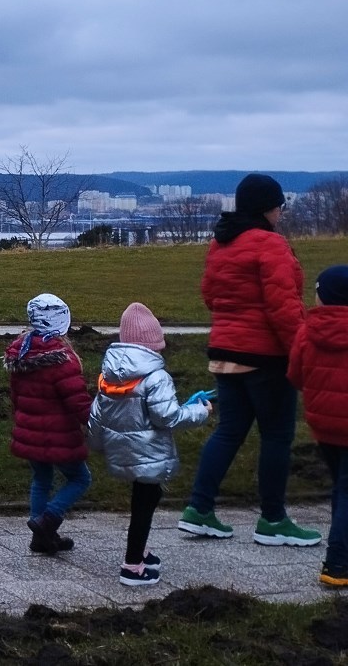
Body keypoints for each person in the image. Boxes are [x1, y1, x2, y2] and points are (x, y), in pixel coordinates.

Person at [180, 174, 318, 545]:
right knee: (276, 436)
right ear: (267, 207)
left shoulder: (221, 242)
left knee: (228, 432)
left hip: (224, 353)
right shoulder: (270, 244)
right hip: (265, 358)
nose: (281, 212)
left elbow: (210, 296)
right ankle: (273, 519)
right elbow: (284, 307)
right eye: (279, 206)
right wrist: (301, 352)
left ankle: (199, 509)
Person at [90, 303, 212, 586]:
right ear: (154, 343)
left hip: (124, 449)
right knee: (145, 504)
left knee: (144, 498)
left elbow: (96, 413)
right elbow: (168, 417)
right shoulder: (156, 377)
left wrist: (97, 443)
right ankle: (132, 566)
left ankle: (140, 549)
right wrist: (200, 411)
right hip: (149, 452)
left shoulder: (109, 374)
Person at [4, 293, 93, 554]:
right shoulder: (63, 360)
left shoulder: (21, 351)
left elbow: (16, 395)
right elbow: (78, 401)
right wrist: (94, 422)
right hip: (59, 434)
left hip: (29, 429)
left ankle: (40, 537)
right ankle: (48, 520)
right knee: (80, 478)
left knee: (41, 479)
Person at [289, 266, 348, 586]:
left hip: (324, 424)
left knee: (341, 486)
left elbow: (296, 376)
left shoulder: (306, 331)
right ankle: (337, 565)